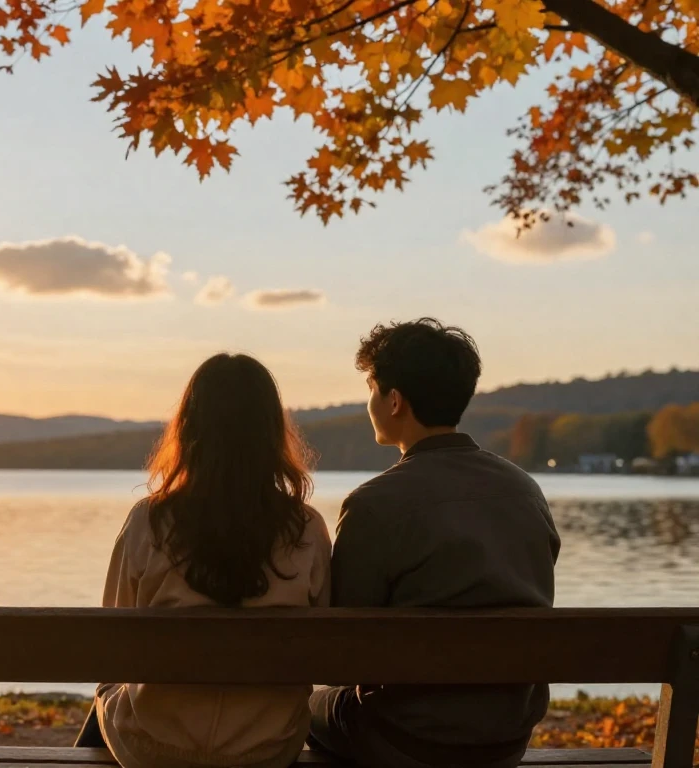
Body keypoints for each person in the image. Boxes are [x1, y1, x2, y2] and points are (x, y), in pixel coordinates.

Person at [308, 319, 561, 768]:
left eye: (371, 388)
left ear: (394, 400)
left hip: (407, 739)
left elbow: (341, 652)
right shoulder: (525, 491)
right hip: (506, 739)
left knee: (306, 708)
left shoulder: (373, 505)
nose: (369, 402)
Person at [76, 353, 332, 768]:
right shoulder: (306, 528)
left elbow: (114, 640)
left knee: (110, 692)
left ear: (189, 429)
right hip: (265, 748)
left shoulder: (150, 521)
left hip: (154, 747)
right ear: (270, 433)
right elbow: (323, 647)